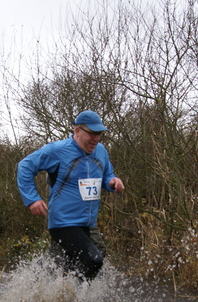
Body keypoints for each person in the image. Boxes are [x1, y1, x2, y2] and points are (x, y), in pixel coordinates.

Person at [17, 110, 124, 281]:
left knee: (85, 258)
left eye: (100, 134)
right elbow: (25, 166)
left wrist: (112, 182)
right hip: (63, 222)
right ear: (77, 131)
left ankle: (50, 289)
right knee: (93, 259)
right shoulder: (57, 150)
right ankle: (76, 298)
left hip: (88, 222)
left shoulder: (101, 151)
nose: (96, 138)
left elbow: (107, 174)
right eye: (92, 133)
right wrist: (32, 199)